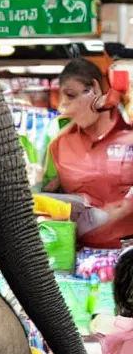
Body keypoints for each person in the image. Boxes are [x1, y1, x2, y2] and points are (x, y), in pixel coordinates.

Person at [43, 59, 133, 248]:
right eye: (63, 98)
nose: (64, 106)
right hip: (80, 262)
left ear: (95, 89)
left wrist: (121, 208)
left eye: (71, 95)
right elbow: (44, 198)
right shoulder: (58, 145)